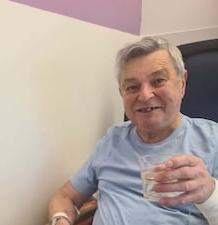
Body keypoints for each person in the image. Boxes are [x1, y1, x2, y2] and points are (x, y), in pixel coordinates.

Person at [48, 36, 218, 225]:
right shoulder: (112, 140)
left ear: (182, 83)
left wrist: (210, 194)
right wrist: (60, 220)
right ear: (122, 93)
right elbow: (64, 198)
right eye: (132, 87)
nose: (144, 95)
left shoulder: (212, 140)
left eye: (158, 80)